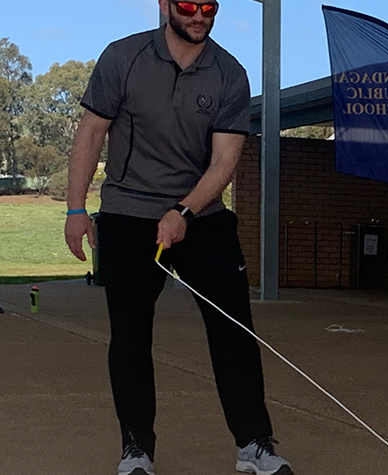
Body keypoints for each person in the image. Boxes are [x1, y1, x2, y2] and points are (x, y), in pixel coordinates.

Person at [63, 1, 291, 474]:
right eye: (189, 4)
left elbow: (225, 161)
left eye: (210, 6)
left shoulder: (229, 73)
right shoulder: (122, 58)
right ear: (165, 5)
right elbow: (90, 133)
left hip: (201, 215)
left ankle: (254, 445)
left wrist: (184, 210)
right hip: (128, 214)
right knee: (130, 335)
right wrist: (75, 208)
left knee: (235, 331)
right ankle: (136, 449)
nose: (200, 14)